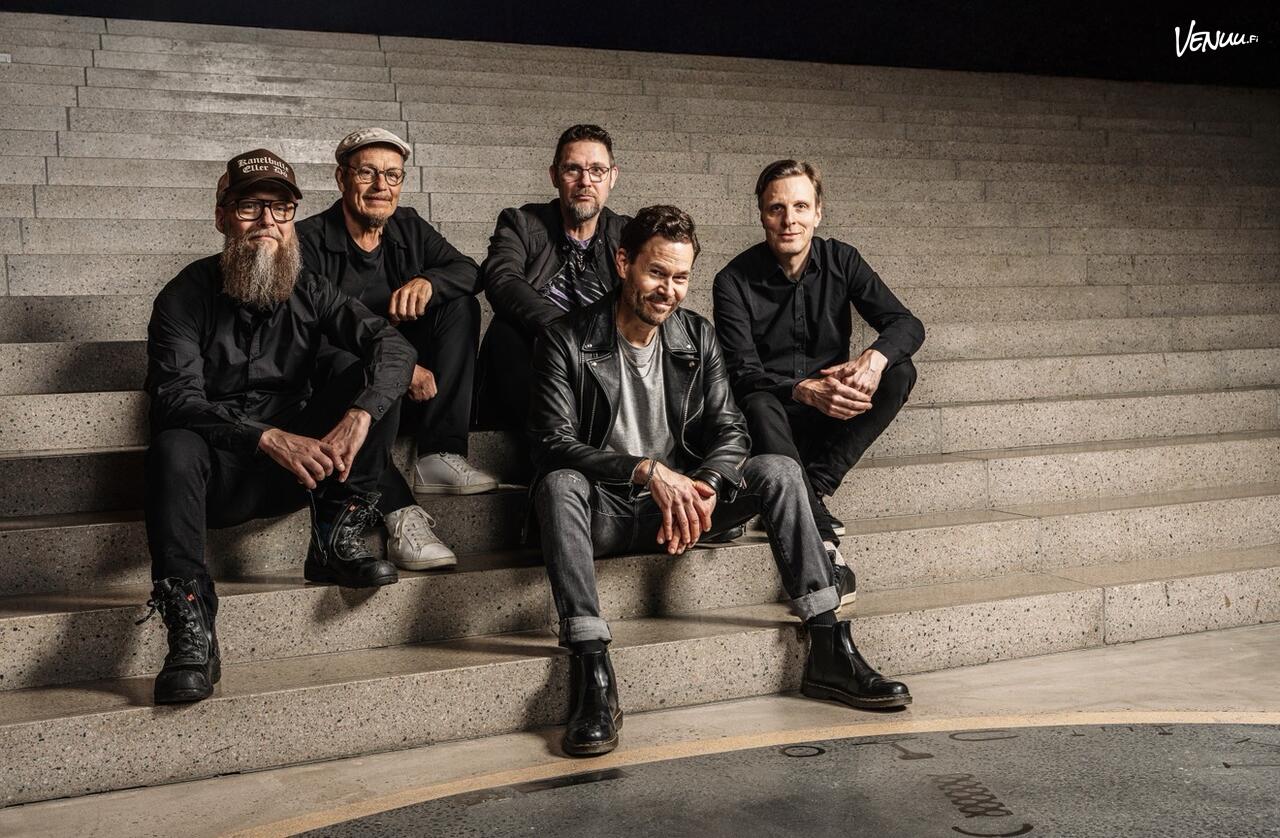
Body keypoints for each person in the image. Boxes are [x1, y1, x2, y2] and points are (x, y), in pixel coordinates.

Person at [530, 205, 909, 758]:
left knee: (779, 469)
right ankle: (593, 672)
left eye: (681, 278)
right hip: (607, 512)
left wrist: (705, 484)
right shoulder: (565, 339)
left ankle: (829, 646)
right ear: (623, 262)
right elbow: (552, 441)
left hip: (688, 507)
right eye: (656, 273)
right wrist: (647, 471)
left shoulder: (696, 335)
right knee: (559, 483)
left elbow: (731, 429)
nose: (668, 291)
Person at [142, 149, 415, 704]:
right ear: (222, 217)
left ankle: (334, 538)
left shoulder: (310, 288)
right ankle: (192, 626)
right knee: (173, 446)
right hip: (220, 476)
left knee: (372, 377)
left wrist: (359, 415)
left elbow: (393, 346)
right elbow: (176, 399)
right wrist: (264, 436)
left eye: (282, 208)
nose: (267, 221)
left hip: (303, 474)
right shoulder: (182, 296)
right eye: (250, 207)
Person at [298, 128, 497, 572]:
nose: (381, 186)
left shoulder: (407, 225)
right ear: (341, 178)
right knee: (368, 377)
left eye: (392, 175)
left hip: (410, 384)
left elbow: (469, 271)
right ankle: (399, 513)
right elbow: (307, 344)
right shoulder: (308, 242)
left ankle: (439, 452)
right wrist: (397, 370)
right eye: (367, 173)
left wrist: (429, 281)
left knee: (459, 305)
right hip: (342, 384)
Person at [712, 159, 924, 552]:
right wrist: (803, 389)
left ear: (818, 213)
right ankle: (815, 522)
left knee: (899, 370)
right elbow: (741, 373)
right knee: (757, 401)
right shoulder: (732, 281)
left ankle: (812, 487)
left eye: (800, 207)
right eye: (776, 208)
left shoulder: (842, 260)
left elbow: (907, 324)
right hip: (767, 424)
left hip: (831, 415)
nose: (789, 220)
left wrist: (873, 359)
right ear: (762, 214)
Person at [475, 124, 631, 430]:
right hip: (536, 360)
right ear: (554, 176)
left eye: (597, 170)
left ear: (612, 177)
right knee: (506, 329)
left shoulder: (627, 233)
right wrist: (566, 329)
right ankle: (551, 441)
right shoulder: (521, 223)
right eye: (573, 169)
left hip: (603, 363)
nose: (585, 181)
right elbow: (502, 279)